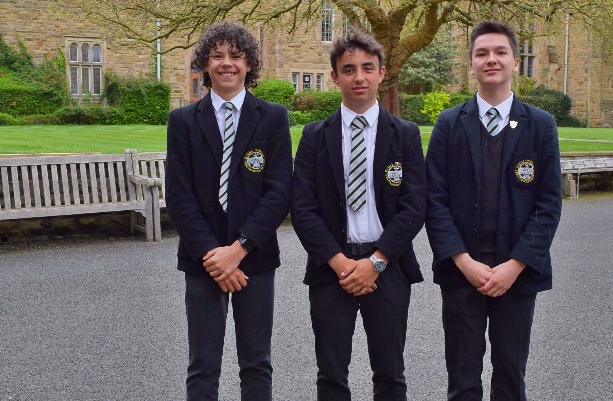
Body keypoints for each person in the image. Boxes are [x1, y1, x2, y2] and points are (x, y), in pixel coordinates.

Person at [424, 21, 562, 401]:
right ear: (471, 63)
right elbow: (434, 201)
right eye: (482, 53)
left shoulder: (540, 126)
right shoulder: (449, 125)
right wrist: (462, 261)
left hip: (515, 275)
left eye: (500, 52)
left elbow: (548, 204)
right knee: (462, 379)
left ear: (515, 62)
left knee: (510, 378)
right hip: (462, 273)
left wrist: (514, 265)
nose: (491, 60)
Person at [290, 28, 427, 401]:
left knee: (390, 373)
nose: (359, 77)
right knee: (331, 375)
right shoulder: (315, 136)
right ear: (335, 78)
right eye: (348, 69)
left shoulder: (405, 134)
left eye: (368, 68)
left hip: (388, 266)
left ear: (381, 73)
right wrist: (339, 264)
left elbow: (414, 206)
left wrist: (377, 262)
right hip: (331, 269)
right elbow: (302, 208)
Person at [165, 21, 292, 401]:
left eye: (236, 56)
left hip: (254, 258)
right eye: (217, 56)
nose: (226, 63)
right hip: (203, 261)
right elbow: (179, 195)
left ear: (249, 64)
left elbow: (278, 192)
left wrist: (238, 250)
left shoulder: (272, 117)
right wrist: (214, 256)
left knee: (256, 363)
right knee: (203, 365)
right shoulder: (183, 121)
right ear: (205, 63)